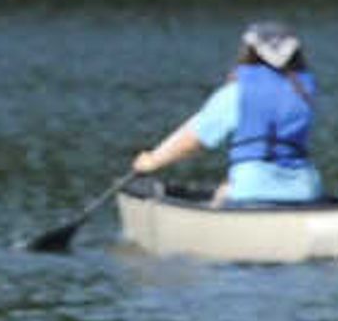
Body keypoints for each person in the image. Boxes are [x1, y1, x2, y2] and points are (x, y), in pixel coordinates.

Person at [129, 22, 323, 206]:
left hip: (253, 189)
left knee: (225, 194)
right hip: (305, 190)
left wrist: (152, 161)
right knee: (225, 189)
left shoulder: (237, 92)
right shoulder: (304, 91)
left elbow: (194, 139)